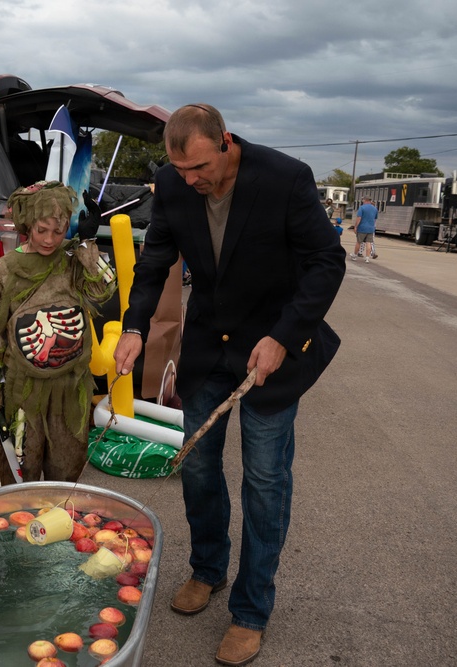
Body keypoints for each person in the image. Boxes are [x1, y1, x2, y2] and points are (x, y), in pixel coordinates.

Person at [112, 103, 345, 666]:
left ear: (225, 142)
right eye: (181, 172)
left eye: (199, 169)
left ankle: (251, 611)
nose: (191, 183)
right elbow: (155, 261)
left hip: (269, 353)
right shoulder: (172, 183)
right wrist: (136, 326)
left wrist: (285, 336)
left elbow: (326, 260)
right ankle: (207, 570)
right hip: (207, 353)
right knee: (195, 464)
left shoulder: (284, 177)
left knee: (264, 481)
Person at [0, 181, 116, 485]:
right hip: (23, 396)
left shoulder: (72, 259)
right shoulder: (4, 271)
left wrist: (86, 242)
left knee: (66, 476)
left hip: (70, 392)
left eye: (59, 231)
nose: (50, 240)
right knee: (22, 476)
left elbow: (105, 289)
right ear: (27, 224)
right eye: (42, 230)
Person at [352, 196, 379, 262]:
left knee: (359, 242)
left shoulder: (362, 207)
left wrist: (355, 226)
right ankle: (367, 258)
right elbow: (375, 218)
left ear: (365, 200)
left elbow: (359, 218)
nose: (362, 201)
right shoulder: (375, 209)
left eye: (363, 200)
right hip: (371, 228)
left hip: (362, 228)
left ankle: (355, 255)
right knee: (368, 243)